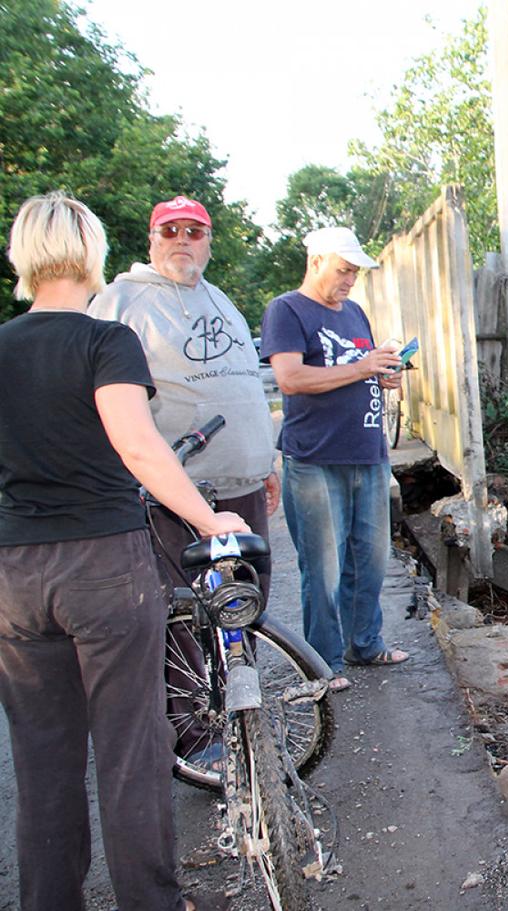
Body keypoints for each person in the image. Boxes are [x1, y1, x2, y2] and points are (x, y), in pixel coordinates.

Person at [0, 191, 248, 911]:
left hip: (15, 576)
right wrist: (207, 519)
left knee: (42, 762)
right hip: (103, 568)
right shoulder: (104, 341)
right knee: (131, 751)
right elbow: (138, 445)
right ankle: (151, 901)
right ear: (93, 252)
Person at [87, 194, 278, 767]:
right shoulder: (121, 300)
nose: (181, 240)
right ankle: (197, 739)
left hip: (240, 484)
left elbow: (243, 387)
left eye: (193, 231)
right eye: (169, 230)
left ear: (208, 241)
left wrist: (263, 461)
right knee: (183, 617)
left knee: (247, 601)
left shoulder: (218, 299)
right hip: (178, 491)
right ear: (151, 240)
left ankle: (238, 706)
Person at [260, 226, 409, 692]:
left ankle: (365, 644)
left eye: (355, 273)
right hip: (316, 458)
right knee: (322, 568)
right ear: (316, 261)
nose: (349, 281)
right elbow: (290, 378)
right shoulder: (286, 309)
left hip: (367, 452)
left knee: (371, 560)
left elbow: (355, 372)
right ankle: (323, 664)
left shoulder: (356, 313)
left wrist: (384, 374)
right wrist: (363, 367)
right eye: (344, 270)